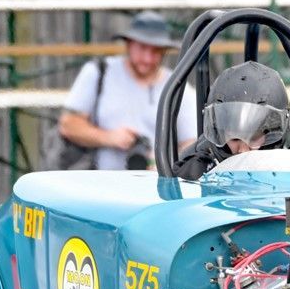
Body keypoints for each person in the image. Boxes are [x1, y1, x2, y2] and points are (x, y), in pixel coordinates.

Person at [48, 11, 197, 170]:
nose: (148, 58)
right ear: (128, 44)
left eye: (156, 51)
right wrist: (109, 138)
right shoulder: (98, 73)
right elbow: (68, 125)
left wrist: (164, 162)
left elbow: (193, 143)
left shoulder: (178, 87)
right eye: (142, 48)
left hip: (153, 188)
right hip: (98, 184)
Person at [174, 61, 290, 179]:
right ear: (220, 133)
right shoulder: (198, 171)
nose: (243, 151)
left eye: (254, 137)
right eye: (234, 138)